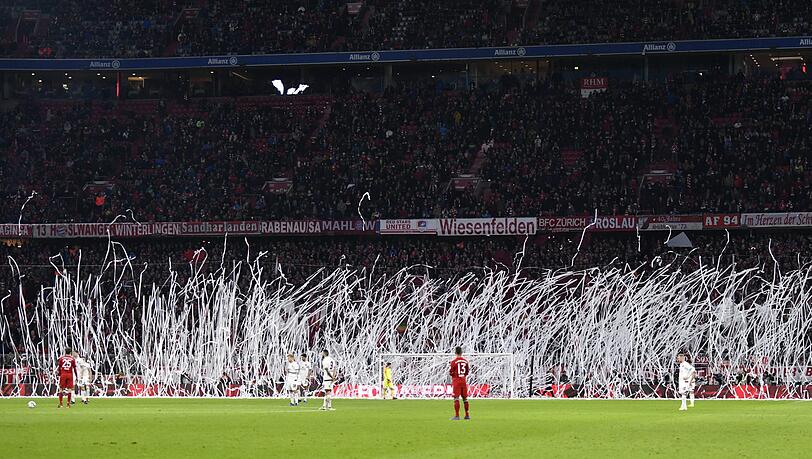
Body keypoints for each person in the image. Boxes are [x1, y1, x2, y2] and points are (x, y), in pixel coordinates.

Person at [449, 347, 470, 420]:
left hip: (456, 381)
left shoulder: (453, 362)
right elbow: (467, 372)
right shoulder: (465, 361)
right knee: (465, 398)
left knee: (456, 398)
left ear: (455, 353)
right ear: (461, 352)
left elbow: (451, 372)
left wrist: (455, 375)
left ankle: (457, 415)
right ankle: (467, 415)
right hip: (463, 381)